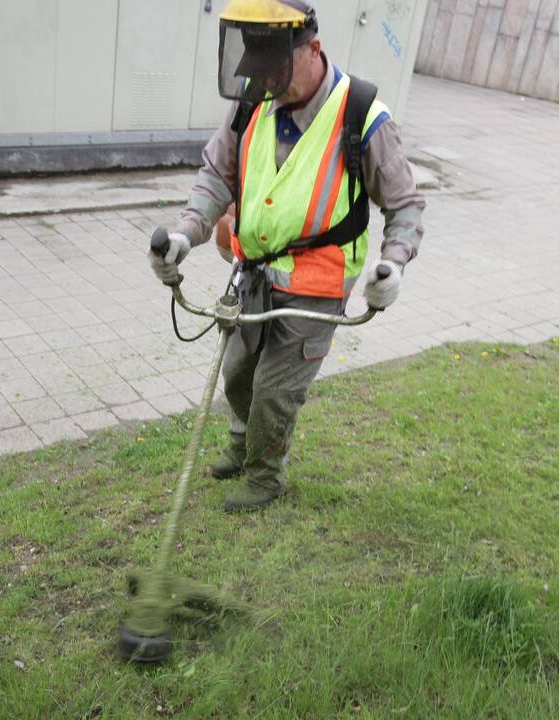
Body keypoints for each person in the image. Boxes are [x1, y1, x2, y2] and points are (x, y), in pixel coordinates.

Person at [149, 0, 424, 512]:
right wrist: (188, 233)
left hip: (318, 284)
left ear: (312, 50)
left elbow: (405, 203)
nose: (268, 84)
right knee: (237, 374)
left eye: (277, 71)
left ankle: (265, 476)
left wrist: (394, 264)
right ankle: (242, 444)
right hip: (253, 274)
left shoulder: (363, 114)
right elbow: (216, 173)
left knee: (275, 391)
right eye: (259, 72)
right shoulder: (253, 99)